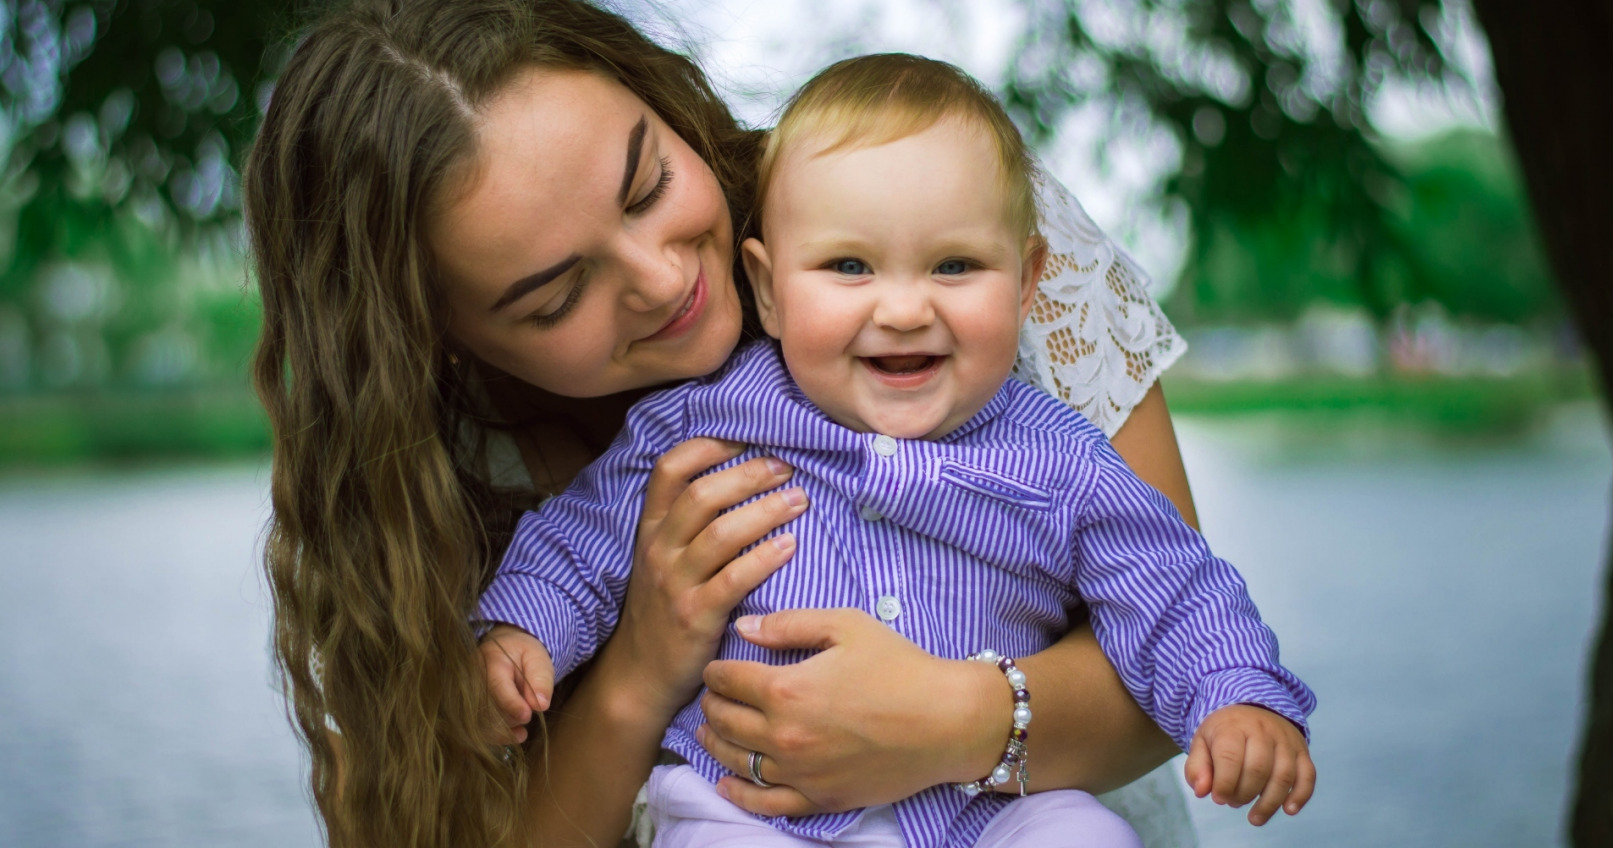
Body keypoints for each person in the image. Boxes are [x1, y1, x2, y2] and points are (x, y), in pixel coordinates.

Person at [243, 0, 1229, 848]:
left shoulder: (940, 214)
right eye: (554, 297)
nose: (658, 278)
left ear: (658, 94)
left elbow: (1171, 648)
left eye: (647, 184)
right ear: (440, 338)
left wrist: (939, 720)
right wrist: (635, 671)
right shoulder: (407, 503)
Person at [475, 54, 1316, 848]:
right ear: (768, 288)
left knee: (1085, 836)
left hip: (985, 811)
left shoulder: (1060, 456)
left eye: (953, 266)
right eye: (849, 266)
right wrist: (521, 632)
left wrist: (1236, 695)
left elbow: (1171, 586)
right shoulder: (705, 421)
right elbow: (582, 540)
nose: (905, 308)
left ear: (1026, 285)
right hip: (752, 811)